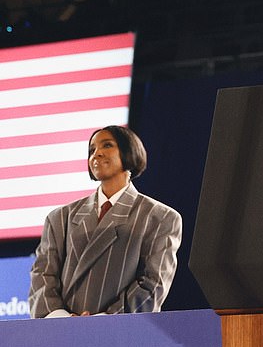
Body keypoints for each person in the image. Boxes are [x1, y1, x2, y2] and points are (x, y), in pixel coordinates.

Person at [29, 125, 182, 318]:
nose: (97, 154)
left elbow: (152, 284)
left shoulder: (160, 217)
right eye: (92, 150)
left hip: (120, 336)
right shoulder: (60, 217)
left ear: (130, 151)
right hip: (62, 335)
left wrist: (103, 321)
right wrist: (62, 319)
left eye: (107, 145)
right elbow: (42, 276)